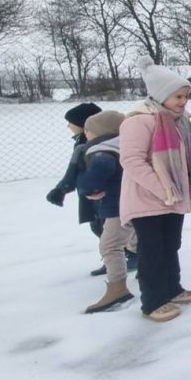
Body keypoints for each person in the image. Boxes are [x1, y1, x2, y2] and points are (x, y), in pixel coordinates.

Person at [120, 57, 191, 323]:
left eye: (185, 97)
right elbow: (131, 161)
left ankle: (172, 289)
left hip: (172, 197)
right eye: (178, 96)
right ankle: (152, 301)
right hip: (148, 199)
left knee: (170, 245)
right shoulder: (139, 121)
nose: (183, 102)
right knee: (151, 250)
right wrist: (163, 188)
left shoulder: (179, 120)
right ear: (161, 94)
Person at [48, 102, 138, 276]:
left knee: (112, 231)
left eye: (71, 123)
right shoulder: (92, 143)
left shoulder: (97, 147)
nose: (68, 126)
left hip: (103, 193)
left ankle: (127, 258)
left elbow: (74, 170)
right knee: (100, 228)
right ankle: (116, 259)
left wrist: (65, 189)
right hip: (97, 194)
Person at [76, 110, 135, 313]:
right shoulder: (127, 144)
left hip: (117, 205)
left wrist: (86, 188)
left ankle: (118, 288)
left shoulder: (103, 150)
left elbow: (98, 172)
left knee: (110, 245)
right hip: (135, 202)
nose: (86, 135)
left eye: (88, 131)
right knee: (136, 237)